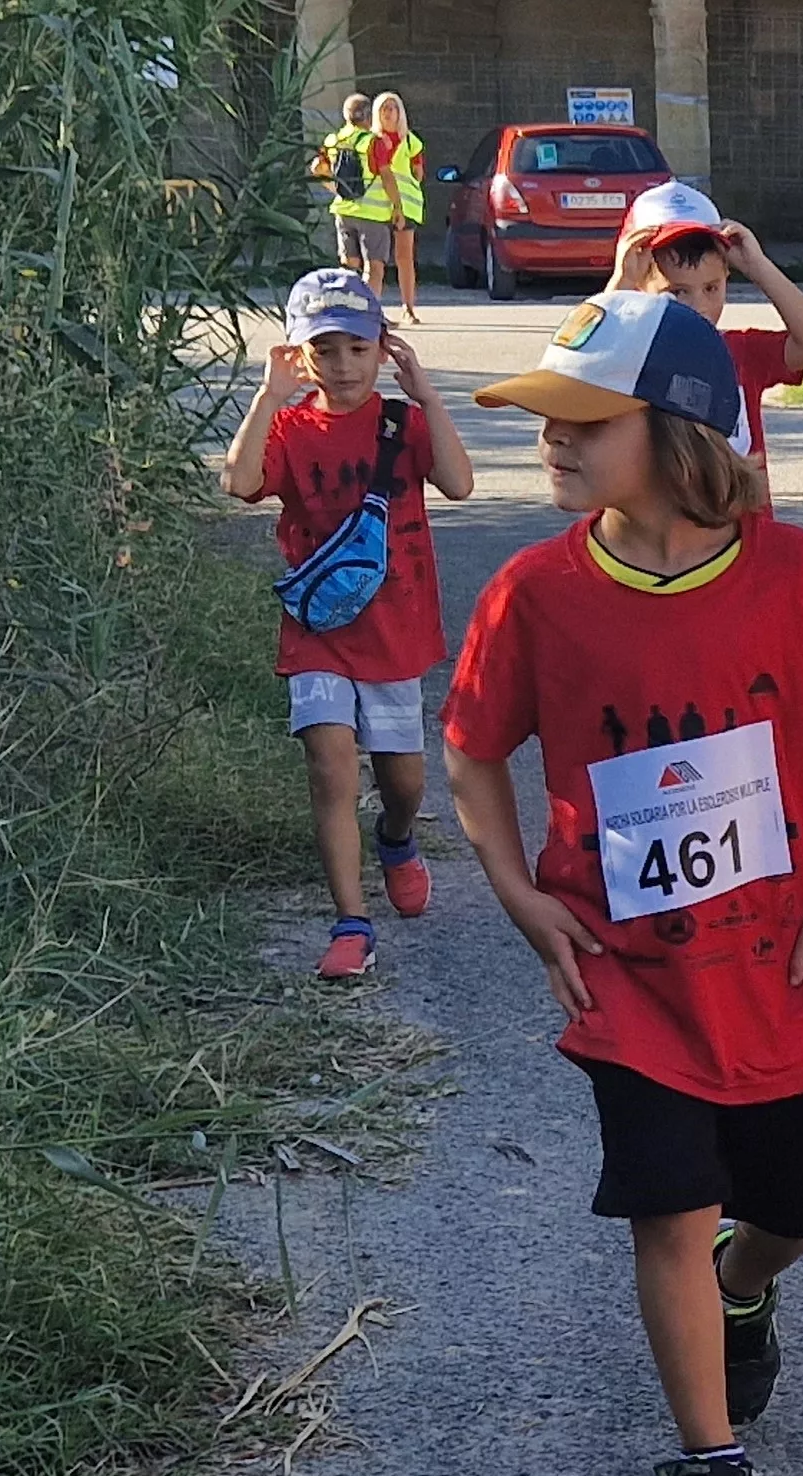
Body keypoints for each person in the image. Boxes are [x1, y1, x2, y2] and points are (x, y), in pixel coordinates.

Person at [444, 292, 803, 1476]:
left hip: (786, 971)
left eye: (579, 421)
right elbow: (473, 751)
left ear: (681, 432)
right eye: (543, 419)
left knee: (795, 1211)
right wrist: (516, 891)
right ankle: (709, 1468)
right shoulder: (536, 595)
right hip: (632, 980)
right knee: (666, 1204)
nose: (547, 440)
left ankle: (748, 1286)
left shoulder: (797, 579)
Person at [217, 268, 476, 979]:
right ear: (301, 356)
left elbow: (457, 483)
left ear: (381, 349)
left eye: (357, 349)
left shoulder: (402, 423)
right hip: (319, 633)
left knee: (404, 784)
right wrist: (268, 398)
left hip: (394, 630)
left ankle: (395, 839)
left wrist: (425, 394)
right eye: (325, 351)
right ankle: (351, 922)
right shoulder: (294, 427)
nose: (343, 365)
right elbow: (239, 484)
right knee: (330, 765)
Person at [611, 180, 803, 508]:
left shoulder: (741, 352)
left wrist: (759, 267)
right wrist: (620, 282)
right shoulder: (626, 357)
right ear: (639, 288)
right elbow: (579, 363)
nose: (699, 306)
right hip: (660, 549)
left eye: (711, 288)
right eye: (677, 292)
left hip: (746, 545)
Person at [364, 92, 428, 326]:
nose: (389, 112)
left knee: (405, 258)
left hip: (406, 207)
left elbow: (419, 173)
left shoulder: (411, 141)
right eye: (384, 108)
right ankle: (372, 311)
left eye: (393, 108)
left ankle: (408, 308)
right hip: (377, 208)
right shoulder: (370, 140)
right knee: (374, 263)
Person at [317, 94, 389, 279]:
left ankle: (350, 304)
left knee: (349, 264)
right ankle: (368, 306)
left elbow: (317, 168)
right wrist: (396, 206)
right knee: (374, 265)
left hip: (343, 210)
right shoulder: (373, 142)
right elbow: (387, 176)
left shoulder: (333, 140)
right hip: (372, 213)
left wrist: (335, 189)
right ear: (368, 116)